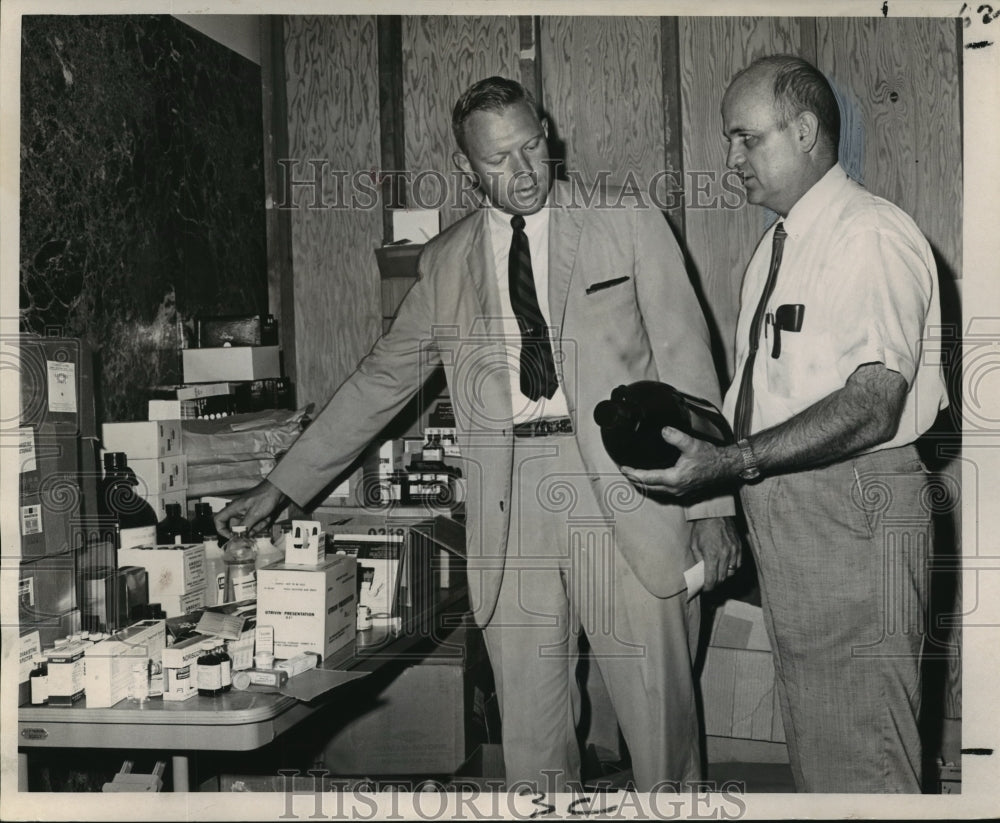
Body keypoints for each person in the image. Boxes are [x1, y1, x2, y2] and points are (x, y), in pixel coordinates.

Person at [215, 76, 738, 792]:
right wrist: (283, 482)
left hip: (628, 489)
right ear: (467, 168)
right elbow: (379, 382)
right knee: (531, 735)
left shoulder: (627, 219)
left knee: (660, 727)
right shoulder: (446, 264)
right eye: (500, 161)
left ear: (547, 132)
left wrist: (713, 508)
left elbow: (690, 364)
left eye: (532, 147)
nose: (524, 172)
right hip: (508, 503)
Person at [621, 55, 947, 793]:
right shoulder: (780, 244)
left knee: (864, 759)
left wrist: (731, 463)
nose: (730, 160)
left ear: (804, 131)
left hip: (851, 514)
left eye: (746, 139)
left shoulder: (865, 234)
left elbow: (872, 403)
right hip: (800, 520)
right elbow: (763, 394)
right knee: (827, 753)